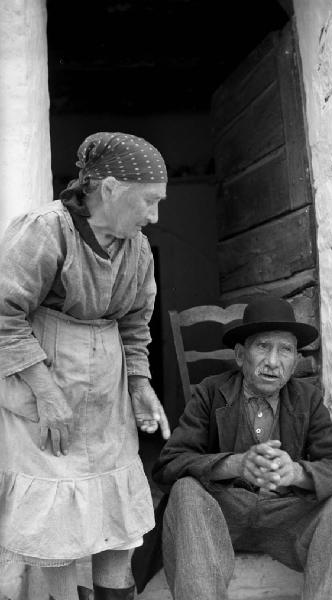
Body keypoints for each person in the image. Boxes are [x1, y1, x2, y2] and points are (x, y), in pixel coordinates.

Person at [0, 132, 170, 600]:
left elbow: (136, 324)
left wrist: (139, 383)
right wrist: (47, 393)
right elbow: (4, 314)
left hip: (106, 395)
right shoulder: (45, 230)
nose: (155, 215)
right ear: (111, 189)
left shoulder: (136, 248)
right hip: (45, 387)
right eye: (150, 201)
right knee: (56, 531)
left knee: (117, 527)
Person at [152, 295, 332, 600]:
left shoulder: (308, 398)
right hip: (222, 515)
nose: (273, 362)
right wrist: (236, 464)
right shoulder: (210, 392)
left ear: (295, 361)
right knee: (185, 490)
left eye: (286, 350)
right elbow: (169, 466)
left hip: (285, 517)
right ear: (240, 355)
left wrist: (295, 473)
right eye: (263, 346)